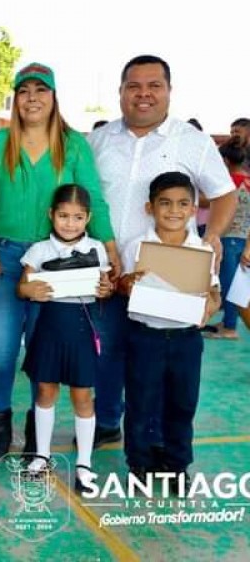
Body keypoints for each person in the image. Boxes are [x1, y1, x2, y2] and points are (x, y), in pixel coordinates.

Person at [88, 55, 236, 451]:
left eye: (154, 85)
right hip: (106, 270)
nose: (143, 94)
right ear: (120, 92)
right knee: (105, 353)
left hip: (168, 278)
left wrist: (213, 236)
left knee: (158, 371)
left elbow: (224, 194)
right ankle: (107, 421)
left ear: (169, 91)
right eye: (134, 86)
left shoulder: (191, 140)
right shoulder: (98, 140)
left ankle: (163, 449)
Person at [0, 62, 116, 460]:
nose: (32, 98)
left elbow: (93, 195)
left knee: (45, 349)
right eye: (24, 91)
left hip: (56, 261)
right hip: (6, 257)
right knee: (2, 347)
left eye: (41, 91)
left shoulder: (73, 144)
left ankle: (34, 425)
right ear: (15, 98)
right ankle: (1, 421)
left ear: (54, 97)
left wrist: (109, 247)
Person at [117, 172, 220, 488]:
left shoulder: (202, 249)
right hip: (145, 335)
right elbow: (123, 286)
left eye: (182, 204)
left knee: (183, 403)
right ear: (150, 208)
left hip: (186, 339)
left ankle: (176, 465)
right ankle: (140, 464)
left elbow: (213, 292)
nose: (173, 211)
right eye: (165, 203)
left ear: (193, 209)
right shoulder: (137, 246)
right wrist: (127, 283)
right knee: (140, 402)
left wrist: (210, 307)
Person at [16, 184, 112, 491]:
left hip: (83, 327)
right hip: (50, 326)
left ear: (88, 218)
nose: (70, 223)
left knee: (83, 396)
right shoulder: (40, 251)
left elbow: (107, 285)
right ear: (51, 215)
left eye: (77, 217)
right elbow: (22, 286)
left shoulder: (97, 249)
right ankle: (41, 456)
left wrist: (106, 289)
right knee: (45, 391)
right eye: (63, 216)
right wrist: (29, 289)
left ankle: (84, 464)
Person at [208, 143, 250, 339]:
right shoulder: (248, 180)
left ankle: (230, 327)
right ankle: (228, 322)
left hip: (228, 237)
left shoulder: (228, 183)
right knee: (238, 284)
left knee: (229, 285)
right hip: (244, 238)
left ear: (224, 161)